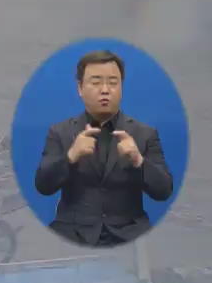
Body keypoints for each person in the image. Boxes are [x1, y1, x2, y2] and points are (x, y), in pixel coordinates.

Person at [34, 50, 174, 247]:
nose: (105, 90)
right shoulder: (60, 132)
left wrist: (138, 160)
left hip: (130, 234)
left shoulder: (145, 134)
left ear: (122, 88)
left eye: (113, 82)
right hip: (72, 233)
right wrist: (71, 156)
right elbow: (43, 186)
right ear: (80, 88)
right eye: (96, 82)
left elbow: (164, 191)